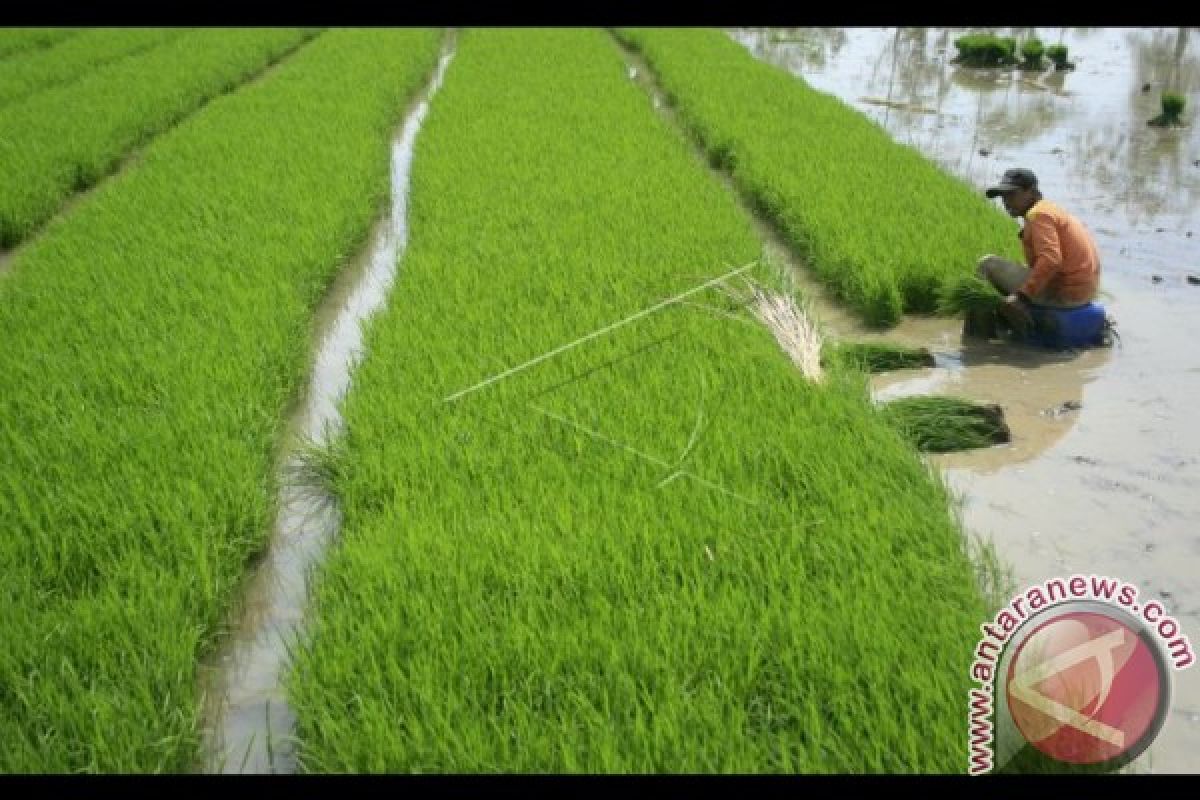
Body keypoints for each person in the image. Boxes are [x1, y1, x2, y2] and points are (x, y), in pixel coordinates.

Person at [977, 168, 1101, 334]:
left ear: (1031, 192)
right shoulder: (1051, 210)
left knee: (987, 264)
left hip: (1064, 293)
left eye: (1012, 195)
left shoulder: (1038, 215)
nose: (1006, 202)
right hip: (1085, 292)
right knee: (1015, 268)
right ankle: (1006, 322)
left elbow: (1051, 259)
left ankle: (980, 336)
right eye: (1003, 196)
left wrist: (1021, 297)